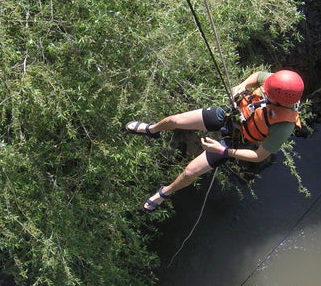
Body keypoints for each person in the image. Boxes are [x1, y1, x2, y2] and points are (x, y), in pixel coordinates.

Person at [125, 69, 305, 212]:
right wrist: (242, 85)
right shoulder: (278, 83)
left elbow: (258, 155)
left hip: (236, 141)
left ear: (280, 100)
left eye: (269, 93)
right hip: (230, 115)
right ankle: (152, 130)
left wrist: (223, 151)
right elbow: (258, 76)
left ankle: (165, 192)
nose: (265, 90)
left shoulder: (283, 126)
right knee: (175, 120)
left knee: (189, 173)